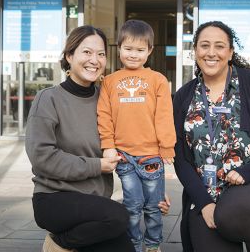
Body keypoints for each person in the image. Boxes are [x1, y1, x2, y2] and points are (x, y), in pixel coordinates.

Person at [25, 25, 170, 252]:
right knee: (119, 217)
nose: (95, 60)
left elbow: (133, 144)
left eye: (101, 54)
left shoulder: (108, 96)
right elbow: (41, 157)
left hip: (97, 204)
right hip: (55, 198)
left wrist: (153, 189)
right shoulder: (49, 98)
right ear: (69, 56)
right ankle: (59, 243)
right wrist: (97, 165)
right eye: (86, 52)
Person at [172, 20, 250, 252]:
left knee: (232, 212)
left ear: (230, 52)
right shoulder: (184, 95)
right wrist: (204, 203)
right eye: (204, 45)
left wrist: (246, 173)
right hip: (205, 190)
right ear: (195, 51)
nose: (211, 53)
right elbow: (180, 158)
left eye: (219, 46)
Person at [97, 20, 176, 252]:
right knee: (132, 205)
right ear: (119, 48)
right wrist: (107, 145)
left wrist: (167, 146)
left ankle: (152, 245)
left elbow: (164, 115)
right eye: (128, 49)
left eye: (140, 50)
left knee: (153, 206)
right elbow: (104, 116)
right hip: (123, 155)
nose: (133, 55)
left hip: (151, 155)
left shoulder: (158, 80)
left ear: (149, 51)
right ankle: (133, 244)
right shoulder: (109, 82)